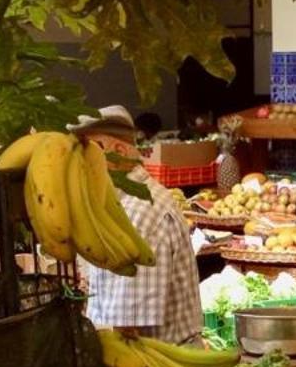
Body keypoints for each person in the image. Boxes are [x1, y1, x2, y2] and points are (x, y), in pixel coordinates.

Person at [73, 106, 205, 345]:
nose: (77, 162)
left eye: (85, 150)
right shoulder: (120, 205)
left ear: (119, 151)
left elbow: (123, 331)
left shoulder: (140, 212)